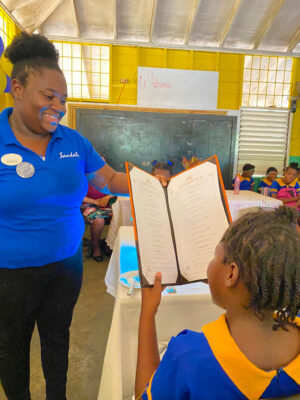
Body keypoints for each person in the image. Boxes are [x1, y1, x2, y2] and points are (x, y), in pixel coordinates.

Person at [0, 32, 131, 400]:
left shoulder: (73, 141)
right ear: (18, 88)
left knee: (58, 338)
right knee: (11, 347)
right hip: (9, 273)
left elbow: (109, 179)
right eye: (48, 96)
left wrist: (148, 183)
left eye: (63, 99)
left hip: (65, 267)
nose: (57, 106)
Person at [135, 206, 300, 399]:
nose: (211, 263)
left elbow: (143, 393)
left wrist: (147, 312)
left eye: (215, 256)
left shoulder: (187, 357)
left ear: (231, 273)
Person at [81, 183, 116, 262]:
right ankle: (95, 247)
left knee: (119, 215)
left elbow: (119, 190)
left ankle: (108, 244)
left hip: (106, 205)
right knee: (98, 219)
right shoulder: (82, 176)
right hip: (89, 205)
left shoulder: (106, 175)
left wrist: (108, 197)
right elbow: (77, 195)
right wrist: (96, 202)